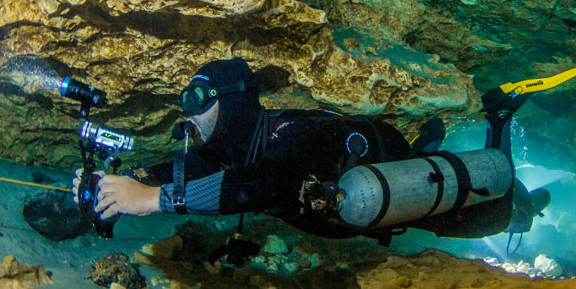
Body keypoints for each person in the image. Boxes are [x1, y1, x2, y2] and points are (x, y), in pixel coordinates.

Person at [75, 58, 538, 250]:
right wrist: (123, 184)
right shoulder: (238, 147)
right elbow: (197, 169)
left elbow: (263, 184)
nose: (187, 112)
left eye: (198, 100)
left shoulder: (292, 135)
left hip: (391, 184)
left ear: (232, 103)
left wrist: (152, 200)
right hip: (363, 200)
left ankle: (498, 119)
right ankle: (429, 147)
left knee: (499, 215)